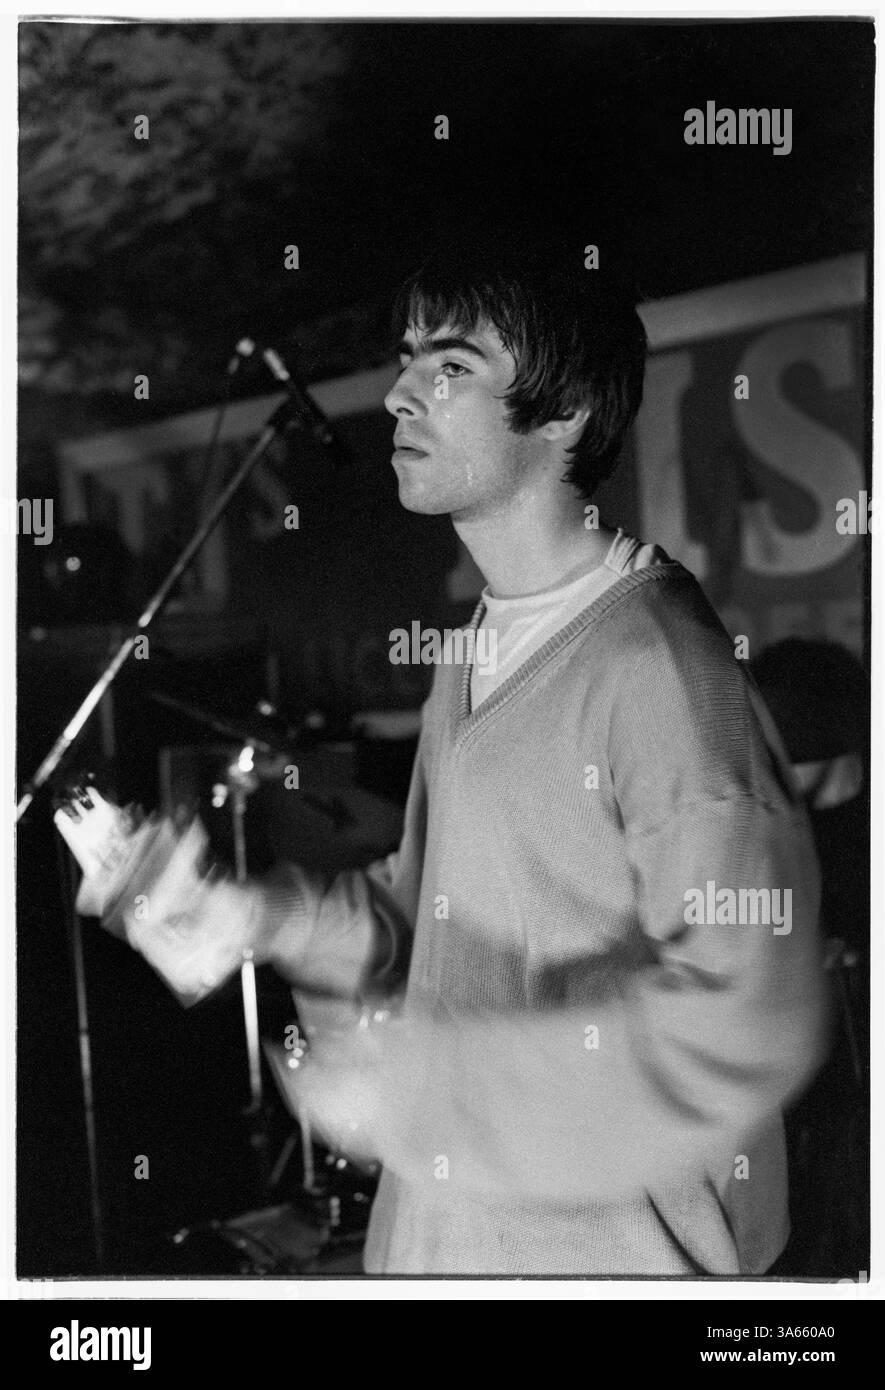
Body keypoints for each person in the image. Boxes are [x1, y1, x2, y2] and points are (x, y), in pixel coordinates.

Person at [61, 229, 828, 1277]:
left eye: (451, 366)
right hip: (447, 1245)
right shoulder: (470, 646)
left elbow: (750, 1016)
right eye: (410, 356)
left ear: (565, 414)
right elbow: (427, 915)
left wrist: (421, 1092)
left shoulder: (664, 668)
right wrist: (253, 914)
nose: (397, 393)